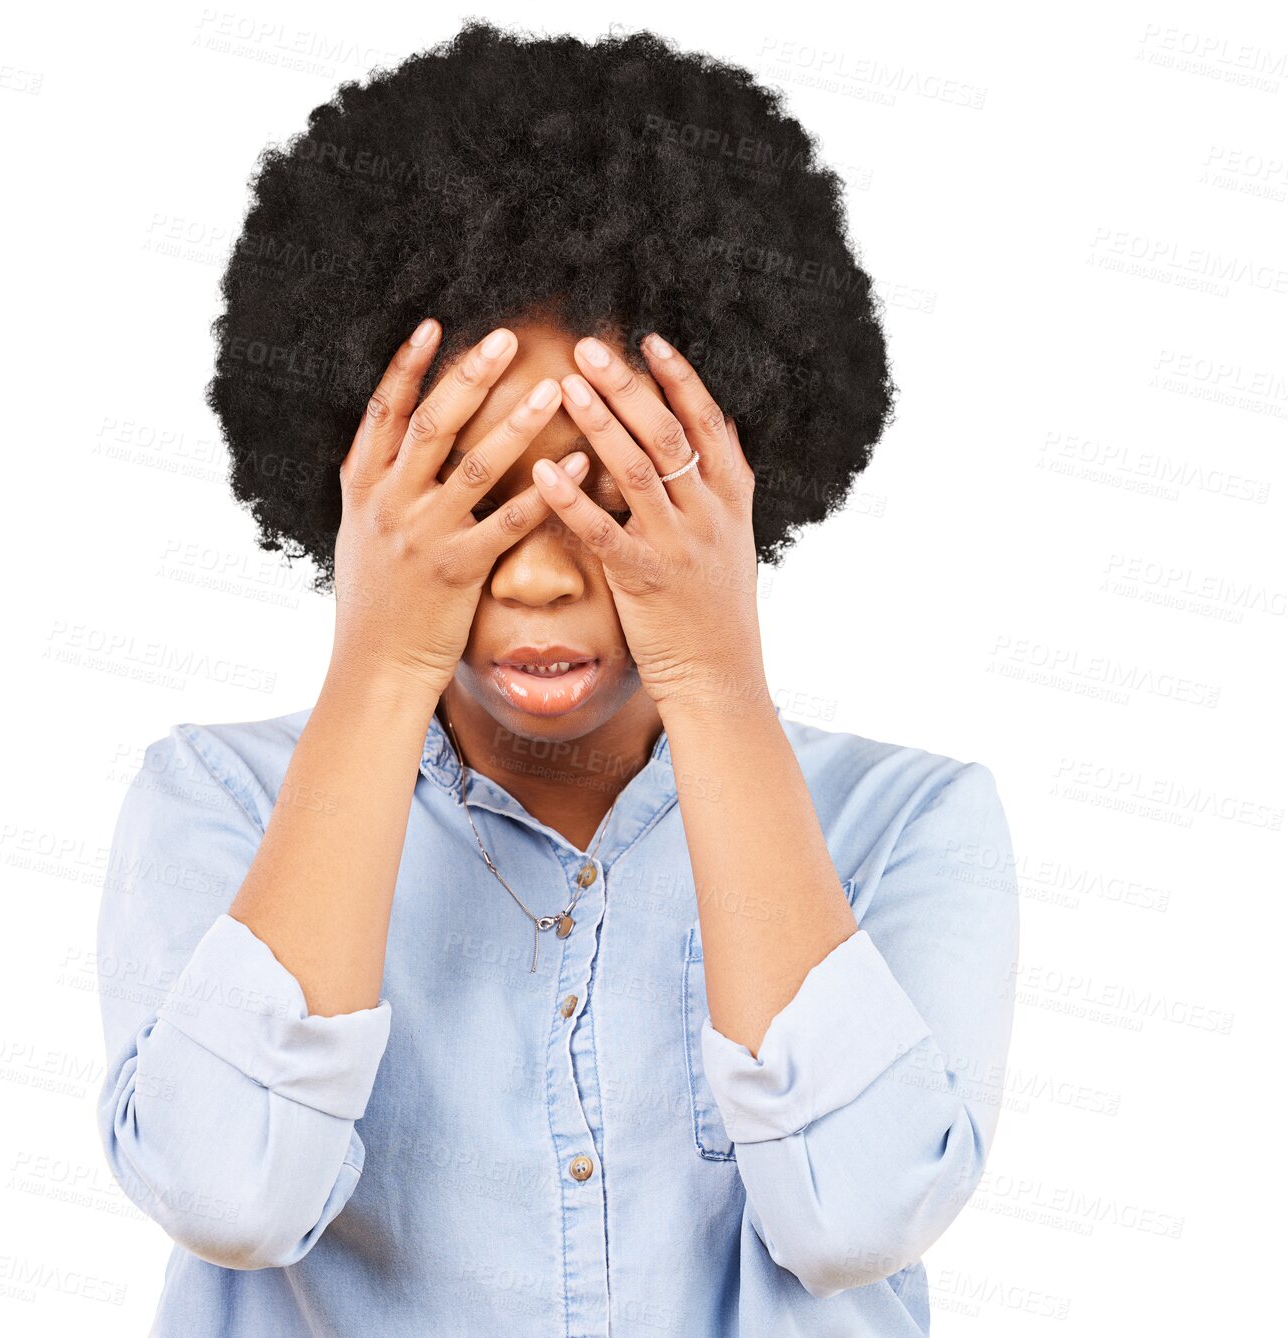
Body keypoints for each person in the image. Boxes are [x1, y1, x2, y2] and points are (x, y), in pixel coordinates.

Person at [95, 21, 1018, 1336]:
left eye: (612, 493)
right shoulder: (215, 803)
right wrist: (382, 651)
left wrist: (709, 667)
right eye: (469, 495)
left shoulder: (904, 826)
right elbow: (228, 1193)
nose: (536, 577)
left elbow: (856, 1215)